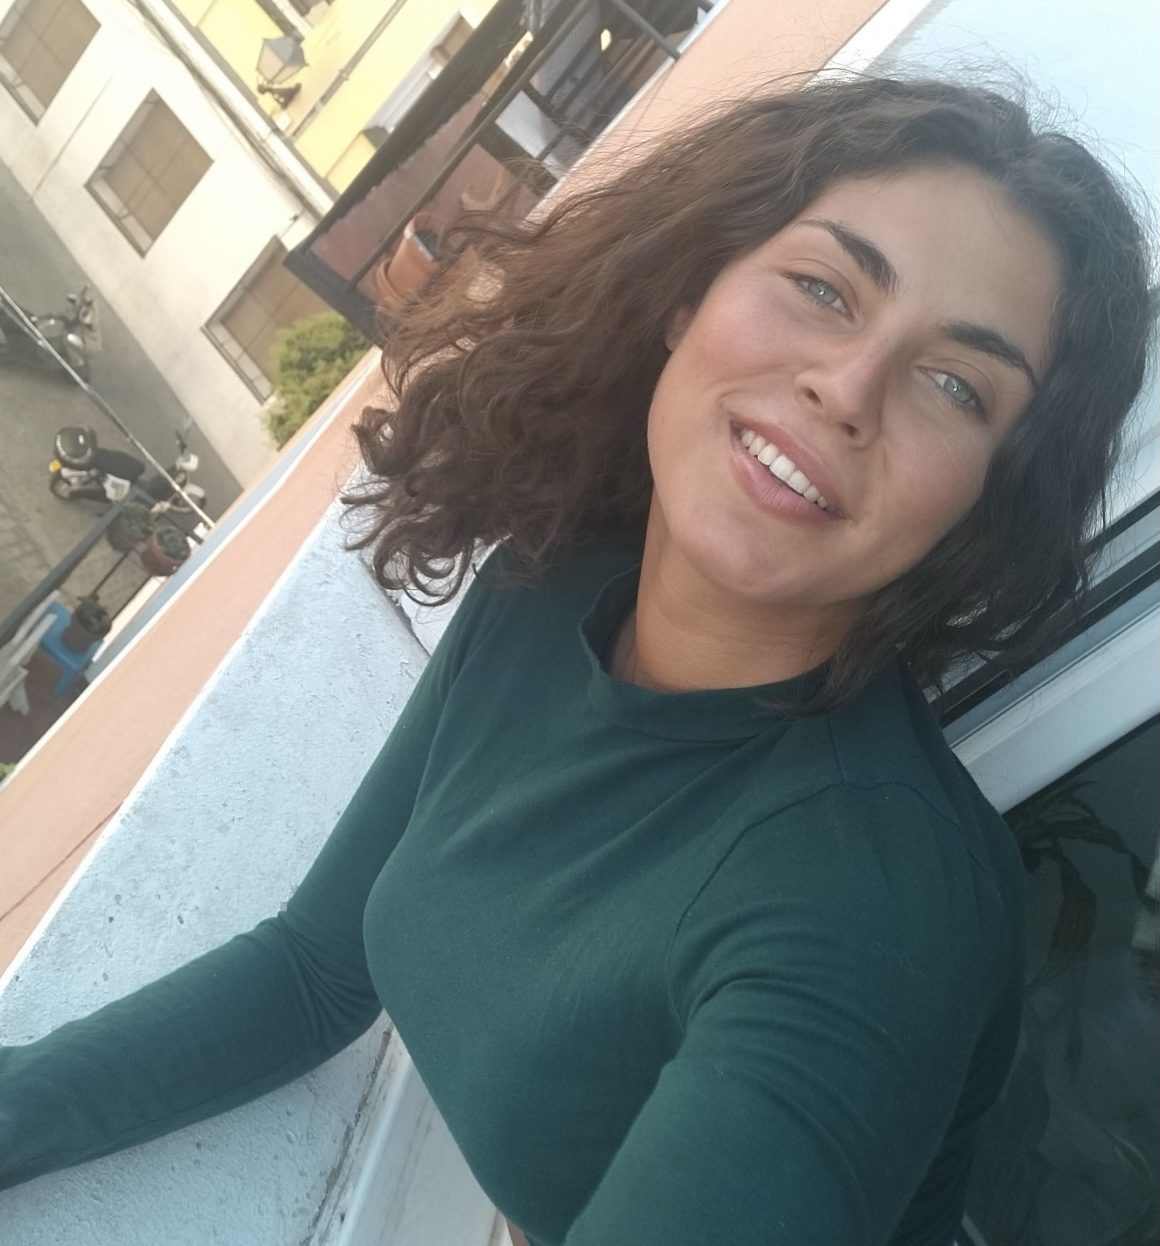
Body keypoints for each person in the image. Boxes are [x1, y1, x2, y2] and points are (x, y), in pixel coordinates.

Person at [1, 74, 1155, 1246]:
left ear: (981, 505)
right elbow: (313, 970)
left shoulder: (877, 913)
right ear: (686, 296)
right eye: (822, 288)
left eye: (955, 385)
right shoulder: (547, 585)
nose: (847, 388)